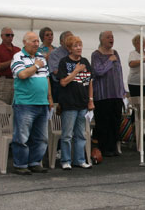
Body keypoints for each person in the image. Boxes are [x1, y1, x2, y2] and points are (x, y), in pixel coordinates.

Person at [10, 31, 53, 175]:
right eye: (33, 41)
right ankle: (21, 164)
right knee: (22, 136)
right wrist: (36, 66)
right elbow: (21, 75)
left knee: (41, 137)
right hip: (25, 103)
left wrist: (50, 98)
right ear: (25, 42)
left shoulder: (41, 57)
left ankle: (35, 162)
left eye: (37, 41)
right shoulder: (18, 56)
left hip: (42, 102)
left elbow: (47, 78)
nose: (36, 44)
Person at [56, 35, 93, 170]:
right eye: (76, 46)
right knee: (67, 135)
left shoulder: (85, 61)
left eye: (80, 45)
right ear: (69, 49)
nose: (79, 48)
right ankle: (66, 160)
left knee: (80, 134)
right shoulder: (64, 62)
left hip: (82, 103)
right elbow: (63, 82)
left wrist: (90, 100)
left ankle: (80, 159)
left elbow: (89, 82)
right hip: (69, 104)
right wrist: (76, 71)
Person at [91, 31, 125, 161]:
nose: (111, 39)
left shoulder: (115, 53)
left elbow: (119, 72)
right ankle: (104, 148)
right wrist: (109, 61)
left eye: (112, 37)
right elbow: (98, 71)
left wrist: (122, 90)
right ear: (102, 40)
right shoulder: (96, 55)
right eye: (108, 37)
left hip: (116, 93)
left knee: (115, 121)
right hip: (103, 94)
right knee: (103, 122)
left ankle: (114, 146)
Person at [0, 27, 20, 104]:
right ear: (2, 36)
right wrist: (13, 61)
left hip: (16, 80)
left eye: (12, 35)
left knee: (15, 106)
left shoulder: (18, 50)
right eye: (8, 35)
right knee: (0, 106)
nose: (10, 37)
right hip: (3, 81)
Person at [48, 30, 73, 107]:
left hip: (73, 86)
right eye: (69, 39)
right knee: (58, 112)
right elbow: (55, 71)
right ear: (61, 42)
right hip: (59, 86)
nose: (71, 41)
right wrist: (73, 73)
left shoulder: (74, 52)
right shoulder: (55, 53)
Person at [127, 34, 145, 99]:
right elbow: (131, 64)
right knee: (137, 103)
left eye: (144, 42)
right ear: (135, 44)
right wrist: (142, 60)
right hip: (135, 83)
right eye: (140, 43)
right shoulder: (133, 53)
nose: (143, 44)